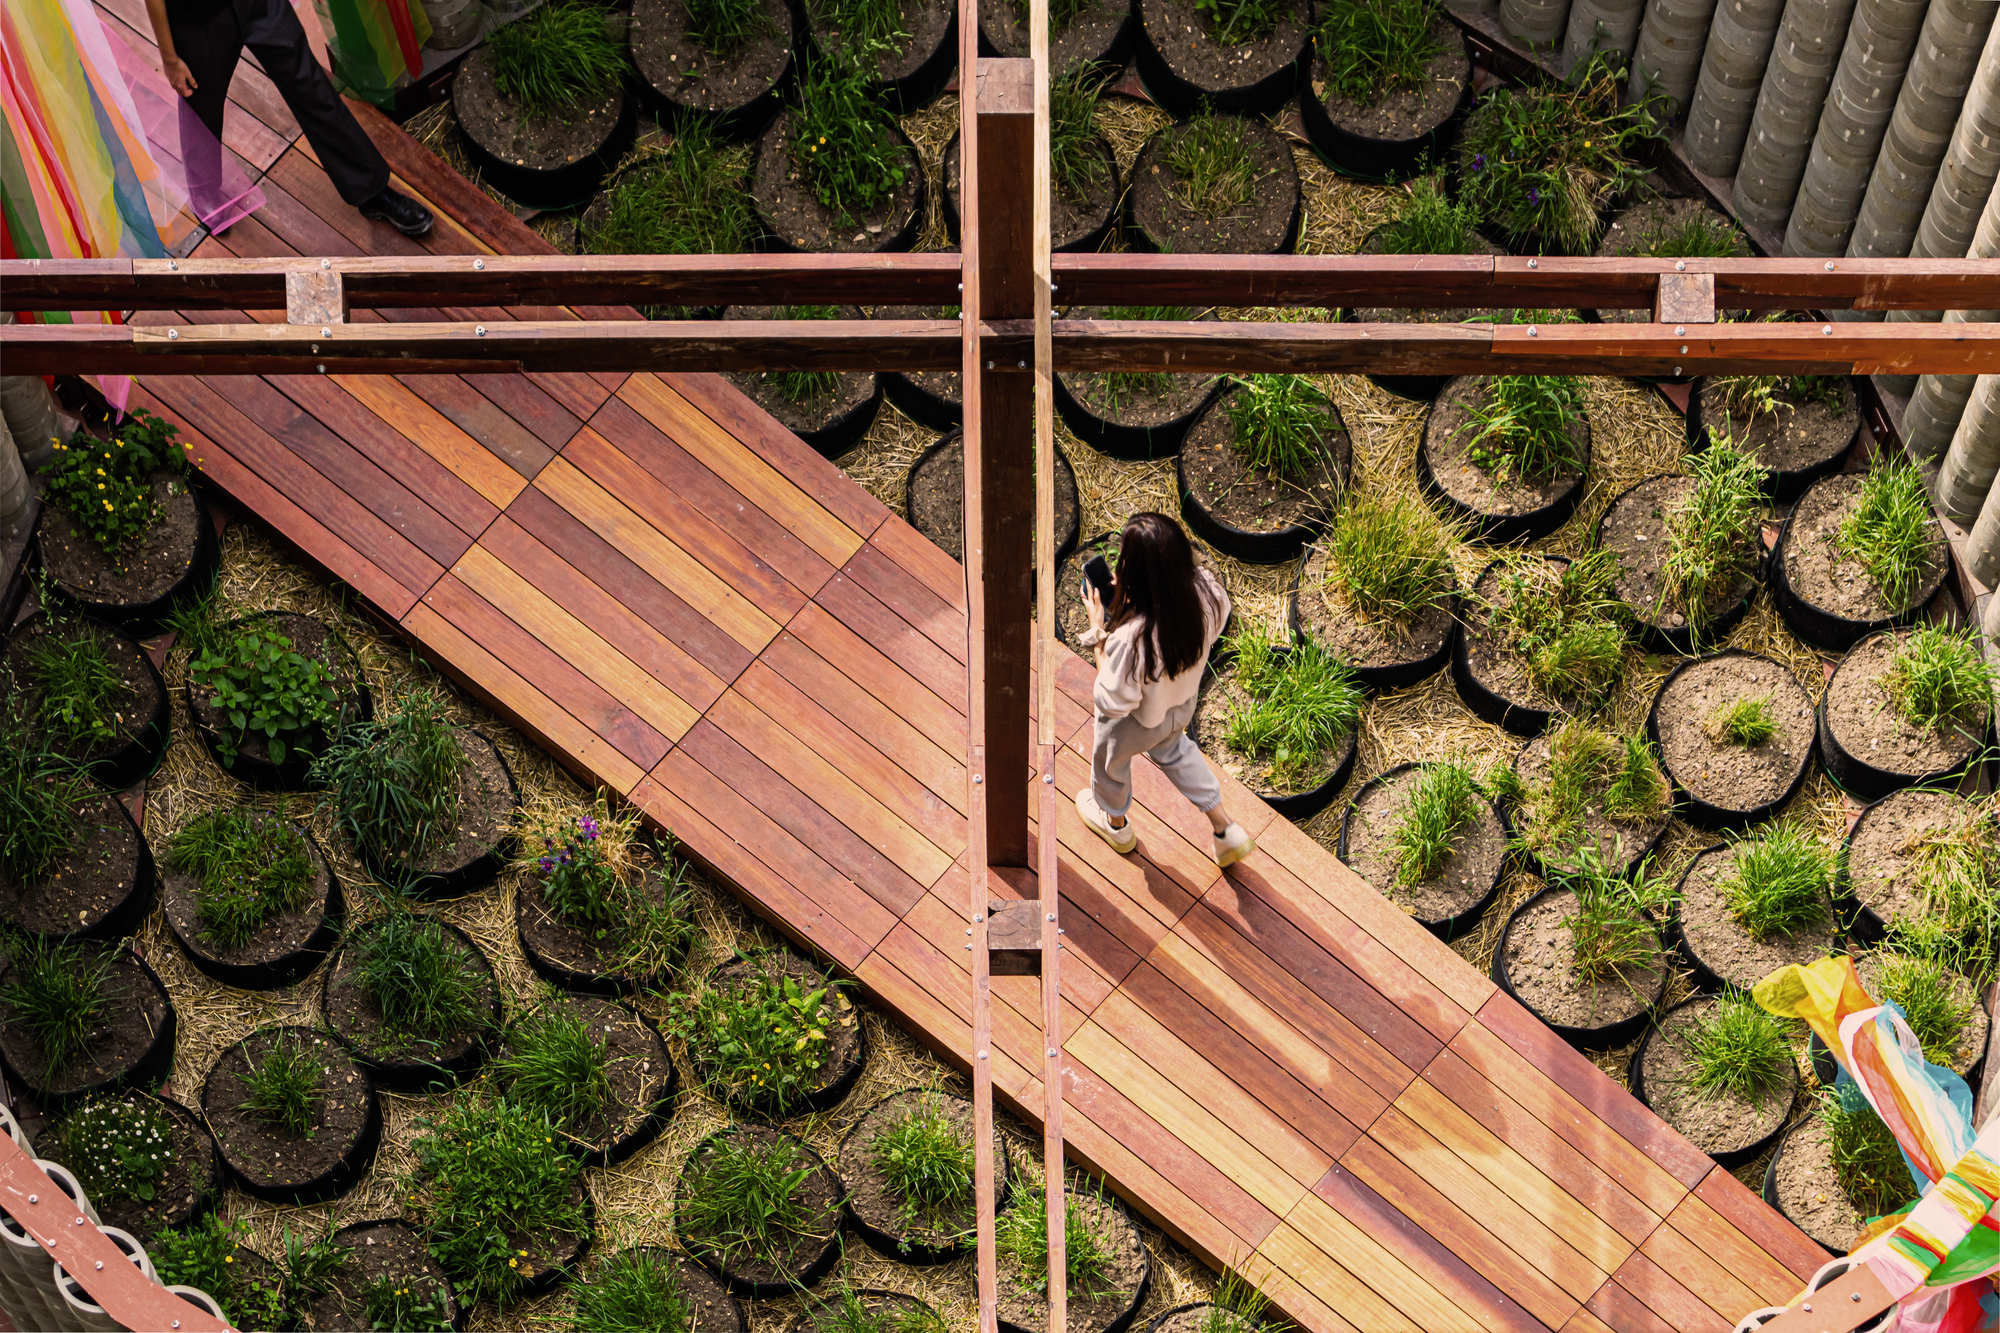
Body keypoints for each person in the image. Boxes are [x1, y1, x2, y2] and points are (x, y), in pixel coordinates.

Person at [146, 0, 434, 236]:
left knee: (312, 87)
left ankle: (370, 190)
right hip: (198, 22)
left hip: (261, 5)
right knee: (202, 107)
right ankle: (204, 193)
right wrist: (170, 59)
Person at [1075, 513, 1254, 868]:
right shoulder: (1206, 590)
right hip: (1180, 705)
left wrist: (1098, 633)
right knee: (1176, 752)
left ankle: (1116, 826)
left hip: (1136, 724)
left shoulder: (1132, 640)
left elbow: (1111, 701)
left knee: (1110, 764)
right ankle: (1224, 828)